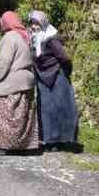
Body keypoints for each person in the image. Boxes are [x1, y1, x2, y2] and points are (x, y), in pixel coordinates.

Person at [0, 11, 40, 155]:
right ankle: (20, 146)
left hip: (11, 83)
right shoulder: (24, 35)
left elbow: (4, 62)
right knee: (21, 118)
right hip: (26, 82)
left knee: (2, 114)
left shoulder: (10, 37)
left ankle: (1, 146)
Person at [29, 10, 80, 149]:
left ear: (43, 23)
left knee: (60, 108)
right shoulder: (34, 38)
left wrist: (66, 72)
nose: (34, 26)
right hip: (43, 79)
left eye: (36, 23)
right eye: (32, 23)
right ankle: (48, 140)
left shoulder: (51, 39)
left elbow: (64, 58)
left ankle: (61, 141)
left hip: (57, 78)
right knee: (46, 110)